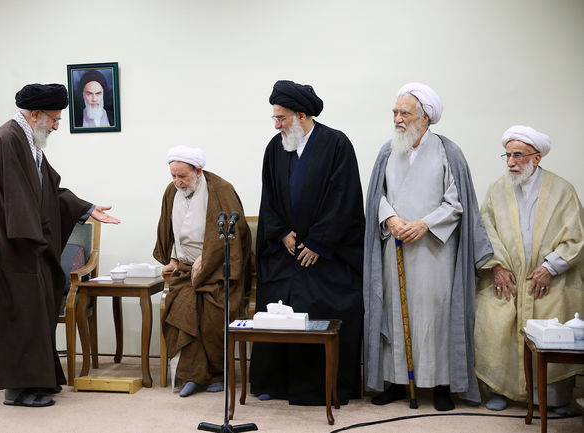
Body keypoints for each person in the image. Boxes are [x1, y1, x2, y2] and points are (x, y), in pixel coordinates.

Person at [0, 83, 120, 407]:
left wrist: (85, 208)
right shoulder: (7, 140)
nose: (56, 125)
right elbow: (14, 199)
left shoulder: (27, 141)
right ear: (35, 114)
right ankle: (17, 389)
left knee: (35, 314)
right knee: (19, 315)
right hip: (13, 248)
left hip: (27, 245)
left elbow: (49, 191)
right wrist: (35, 240)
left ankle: (40, 380)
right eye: (54, 119)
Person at [363, 82, 492, 410]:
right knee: (394, 312)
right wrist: (391, 219)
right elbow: (376, 195)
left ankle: (440, 387)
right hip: (395, 246)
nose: (398, 118)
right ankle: (395, 381)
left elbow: (456, 203)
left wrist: (423, 224)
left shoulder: (448, 151)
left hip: (434, 248)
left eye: (404, 112)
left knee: (435, 317)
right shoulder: (387, 151)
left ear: (425, 118)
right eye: (395, 112)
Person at [249, 80, 365, 406]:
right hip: (287, 251)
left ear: (301, 115)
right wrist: (281, 231)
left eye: (281, 118)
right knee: (279, 297)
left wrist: (319, 243)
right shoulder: (276, 147)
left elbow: (345, 199)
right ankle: (275, 382)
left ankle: (320, 387)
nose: (277, 125)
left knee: (321, 299)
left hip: (326, 255)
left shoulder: (336, 144)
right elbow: (269, 197)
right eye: (274, 118)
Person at [475, 125, 584, 413]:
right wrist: (496, 266)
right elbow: (485, 231)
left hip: (549, 278)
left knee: (553, 328)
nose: (511, 162)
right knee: (497, 324)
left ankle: (555, 399)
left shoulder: (563, 190)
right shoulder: (497, 189)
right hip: (507, 277)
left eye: (519, 156)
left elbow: (576, 237)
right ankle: (502, 391)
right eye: (508, 155)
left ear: (537, 159)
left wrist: (550, 268)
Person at [153, 145, 252, 397]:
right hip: (186, 270)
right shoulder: (171, 192)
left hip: (220, 271)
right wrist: (174, 259)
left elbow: (235, 233)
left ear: (198, 171)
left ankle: (216, 375)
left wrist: (207, 258)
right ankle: (191, 376)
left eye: (182, 176)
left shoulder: (221, 189)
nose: (177, 181)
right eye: (173, 176)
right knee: (181, 308)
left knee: (213, 314)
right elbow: (170, 229)